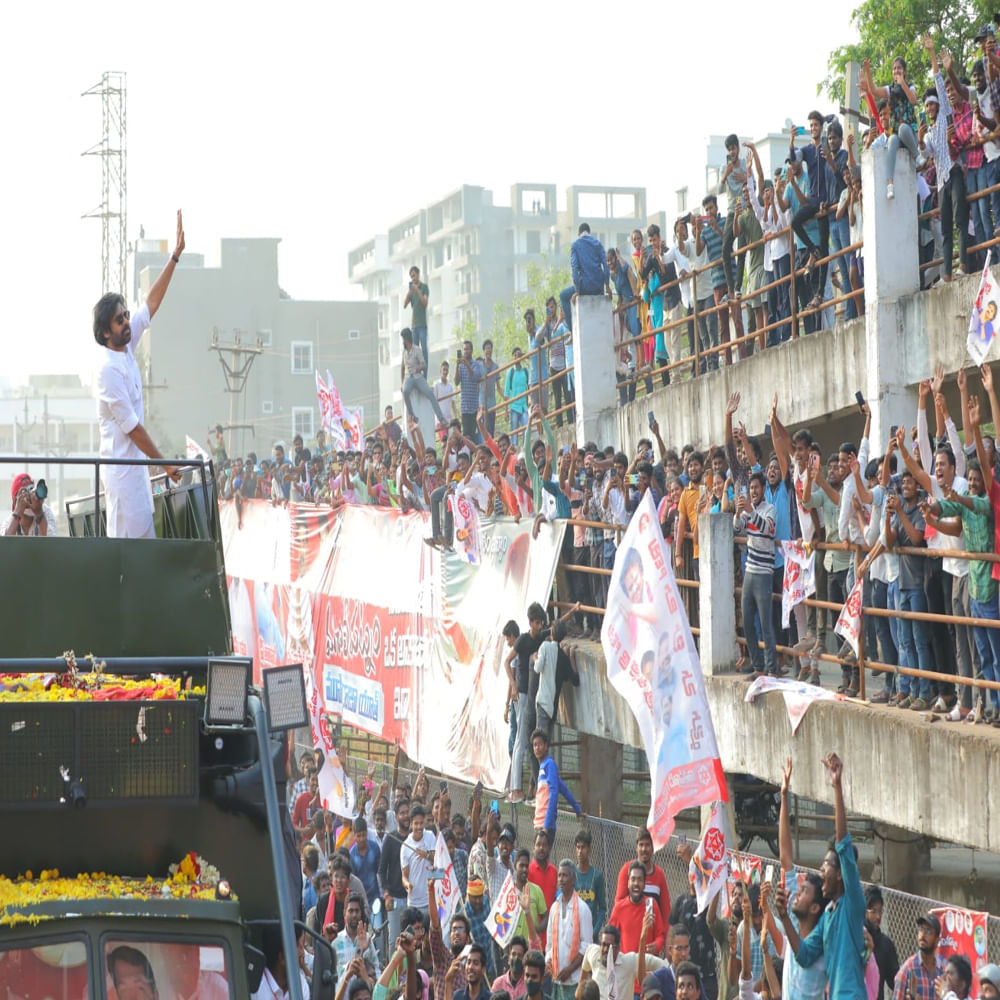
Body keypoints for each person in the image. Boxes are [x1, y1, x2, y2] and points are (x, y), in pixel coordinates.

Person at [94, 210, 185, 538]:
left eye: (125, 315)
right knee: (128, 557)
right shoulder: (108, 372)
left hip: (138, 474)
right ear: (107, 332)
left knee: (145, 549)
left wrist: (174, 257)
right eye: (120, 320)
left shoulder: (127, 351)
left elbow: (151, 305)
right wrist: (165, 463)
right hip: (122, 476)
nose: (127, 321)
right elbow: (132, 428)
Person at [775, 753, 865, 1000]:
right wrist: (783, 916)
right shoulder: (827, 916)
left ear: (840, 874)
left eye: (826, 865)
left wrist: (837, 788)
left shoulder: (853, 903)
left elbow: (843, 844)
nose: (821, 870)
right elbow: (803, 955)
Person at [733, 471, 778, 678]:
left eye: (756, 488)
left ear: (763, 489)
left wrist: (750, 511)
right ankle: (758, 666)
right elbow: (737, 528)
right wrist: (737, 512)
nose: (753, 491)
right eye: (751, 488)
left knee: (766, 623)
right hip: (750, 570)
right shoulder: (747, 511)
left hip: (764, 573)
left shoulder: (770, 510)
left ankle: (771, 668)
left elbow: (767, 529)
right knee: (748, 620)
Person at [545, 861, 595, 1000]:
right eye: (559, 875)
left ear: (573, 880)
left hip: (575, 980)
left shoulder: (583, 909)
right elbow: (549, 944)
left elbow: (587, 946)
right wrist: (549, 962)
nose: (561, 879)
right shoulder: (554, 908)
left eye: (565, 875)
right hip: (556, 979)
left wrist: (570, 969)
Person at [578, 921, 664, 1000]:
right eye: (603, 945)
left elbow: (661, 965)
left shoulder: (629, 962)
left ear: (618, 947)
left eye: (610, 946)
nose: (605, 949)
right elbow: (580, 987)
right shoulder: (593, 953)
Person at [531, 729, 582, 844]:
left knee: (540, 860)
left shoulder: (549, 764)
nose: (537, 748)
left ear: (546, 746)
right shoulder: (543, 767)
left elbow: (554, 793)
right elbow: (563, 789)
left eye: (540, 744)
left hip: (544, 825)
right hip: (539, 823)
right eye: (534, 745)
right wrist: (577, 809)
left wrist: (547, 825)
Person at [614, 828, 672, 927]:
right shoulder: (626, 870)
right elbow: (619, 905)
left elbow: (666, 911)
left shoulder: (659, 874)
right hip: (630, 929)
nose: (644, 849)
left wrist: (665, 939)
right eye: (641, 845)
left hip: (652, 934)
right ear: (636, 847)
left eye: (647, 845)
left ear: (653, 848)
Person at [609, 861, 665, 955]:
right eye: (633, 879)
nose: (636, 883)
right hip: (626, 965)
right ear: (628, 883)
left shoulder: (652, 905)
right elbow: (611, 936)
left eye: (640, 880)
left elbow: (661, 935)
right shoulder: (619, 908)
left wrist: (657, 945)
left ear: (644, 884)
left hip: (647, 965)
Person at [401, 329, 449, 427]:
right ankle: (412, 416)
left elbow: (424, 365)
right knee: (405, 392)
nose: (403, 341)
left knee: (430, 394)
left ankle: (441, 419)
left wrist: (417, 369)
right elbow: (402, 368)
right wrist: (402, 383)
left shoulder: (417, 349)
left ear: (407, 339)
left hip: (418, 377)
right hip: (408, 378)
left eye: (404, 339)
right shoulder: (404, 352)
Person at [890, 913, 944, 1000]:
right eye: (921, 929)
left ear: (937, 940)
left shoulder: (942, 972)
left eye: (928, 931)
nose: (923, 934)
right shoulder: (907, 970)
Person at [335, 894, 382, 987]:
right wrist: (360, 949)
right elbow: (337, 977)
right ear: (344, 913)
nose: (354, 915)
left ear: (361, 913)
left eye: (357, 911)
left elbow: (376, 969)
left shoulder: (367, 938)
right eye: (350, 911)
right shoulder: (336, 942)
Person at [401, 803, 437, 913]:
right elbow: (404, 876)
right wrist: (408, 885)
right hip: (413, 903)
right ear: (411, 824)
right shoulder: (405, 846)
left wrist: (425, 855)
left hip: (430, 899)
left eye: (421, 823)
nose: (419, 827)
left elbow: (437, 862)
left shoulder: (430, 836)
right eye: (416, 824)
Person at [573, 829, 607, 943]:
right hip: (574, 933)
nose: (580, 851)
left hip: (592, 935)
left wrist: (595, 930)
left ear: (589, 849)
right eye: (578, 847)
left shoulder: (597, 876)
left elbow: (602, 908)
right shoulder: (571, 874)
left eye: (583, 847)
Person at [350, 816, 382, 912]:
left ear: (367, 833)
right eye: (358, 836)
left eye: (363, 835)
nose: (361, 839)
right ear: (354, 835)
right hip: (360, 900)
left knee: (378, 926)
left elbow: (380, 871)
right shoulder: (352, 854)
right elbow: (353, 879)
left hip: (375, 897)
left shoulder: (374, 848)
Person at [404, 266, 430, 362]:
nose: (413, 278)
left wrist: (417, 290)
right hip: (414, 326)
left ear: (418, 275)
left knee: (423, 349)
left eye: (414, 276)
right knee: (415, 351)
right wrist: (409, 292)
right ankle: (416, 372)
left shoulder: (424, 287)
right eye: (411, 277)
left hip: (422, 325)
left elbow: (425, 303)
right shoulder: (412, 291)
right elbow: (404, 305)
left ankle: (425, 373)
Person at [492, 935, 530, 1000]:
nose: (516, 958)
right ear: (509, 958)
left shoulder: (529, 984)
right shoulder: (498, 984)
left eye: (519, 955)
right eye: (513, 954)